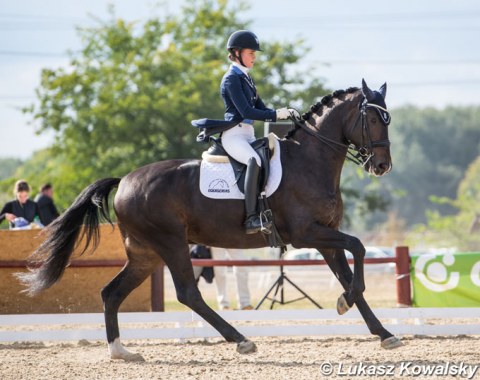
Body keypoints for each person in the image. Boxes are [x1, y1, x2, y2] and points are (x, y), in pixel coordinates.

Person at [220, 30, 299, 234]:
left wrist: (284, 113)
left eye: (254, 54)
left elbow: (262, 109)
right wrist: (275, 115)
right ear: (236, 53)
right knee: (253, 161)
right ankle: (251, 218)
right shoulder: (231, 79)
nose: (254, 57)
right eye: (251, 53)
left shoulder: (247, 79)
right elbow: (246, 111)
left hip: (248, 135)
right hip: (233, 135)